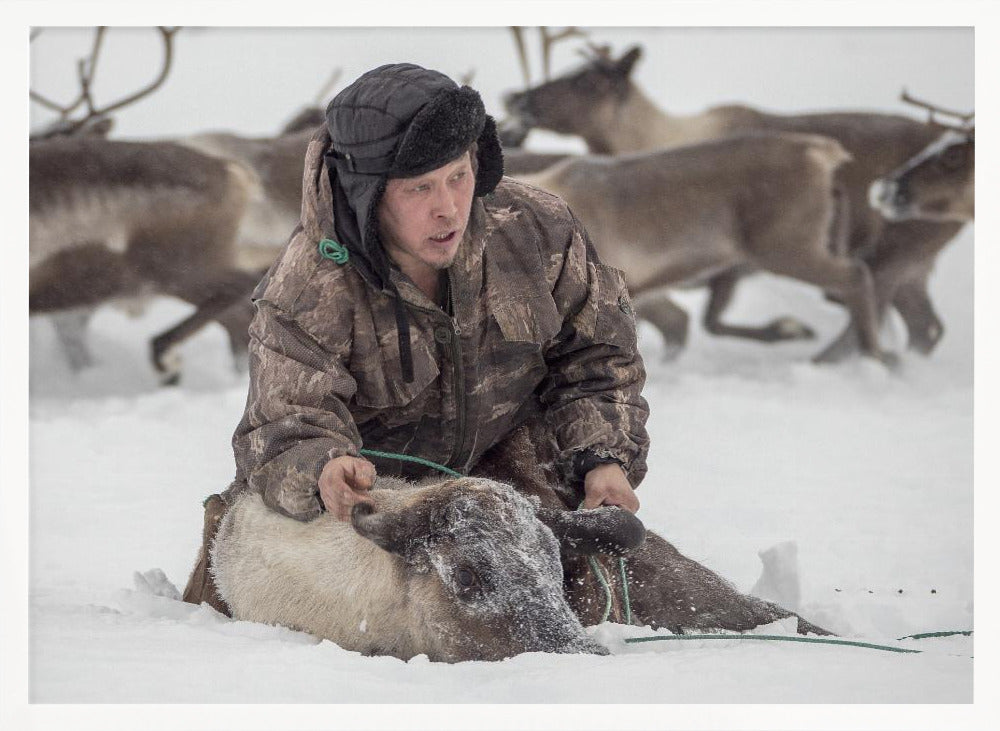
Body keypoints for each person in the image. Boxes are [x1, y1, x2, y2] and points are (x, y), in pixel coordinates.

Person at [182, 63, 650, 612]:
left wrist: (602, 459)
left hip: (505, 488)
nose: (448, 207)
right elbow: (285, 426)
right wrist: (326, 468)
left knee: (628, 593)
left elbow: (598, 357)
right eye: (420, 188)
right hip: (368, 511)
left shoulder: (537, 228)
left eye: (458, 175)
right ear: (368, 194)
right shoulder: (308, 285)